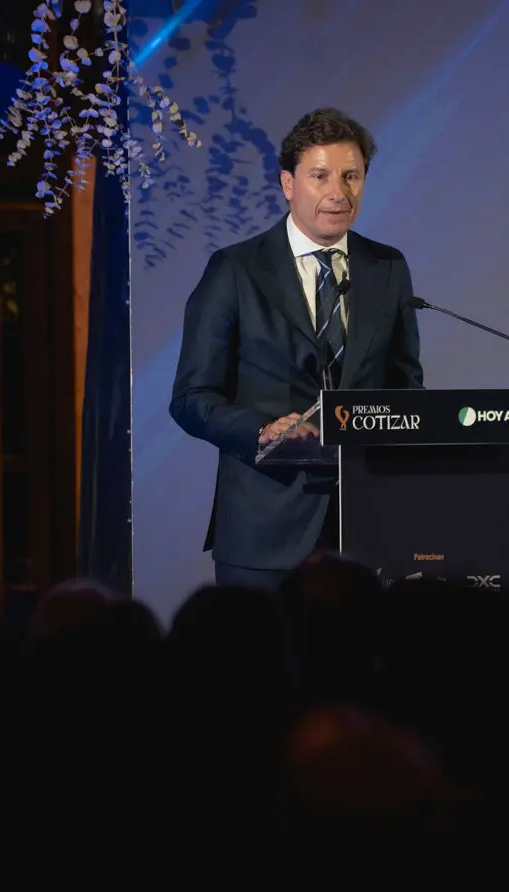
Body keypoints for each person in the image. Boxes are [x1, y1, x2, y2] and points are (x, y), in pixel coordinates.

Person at [170, 107, 423, 590]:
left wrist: (463, 450)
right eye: (320, 176)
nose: (338, 192)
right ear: (288, 184)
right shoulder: (236, 270)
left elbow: (406, 392)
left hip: (368, 528)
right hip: (265, 530)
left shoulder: (387, 267)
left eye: (352, 176)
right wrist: (262, 430)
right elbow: (191, 398)